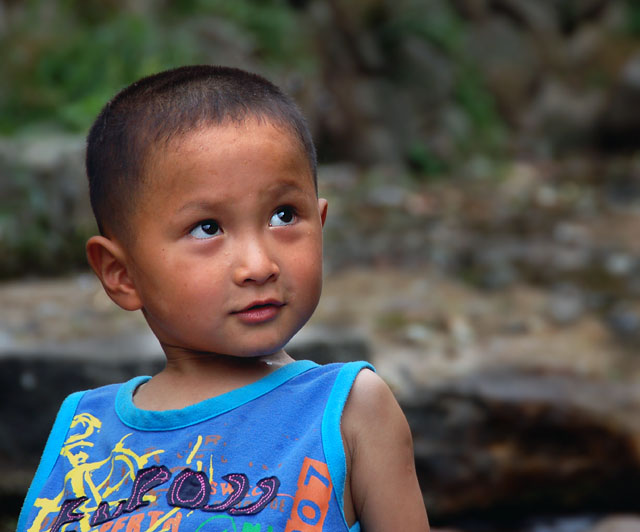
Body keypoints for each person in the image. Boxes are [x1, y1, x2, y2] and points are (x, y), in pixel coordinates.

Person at [17, 65, 429, 532]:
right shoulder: (84, 436)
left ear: (321, 223)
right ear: (122, 274)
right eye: (207, 228)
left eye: (283, 215)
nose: (258, 265)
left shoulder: (348, 412)